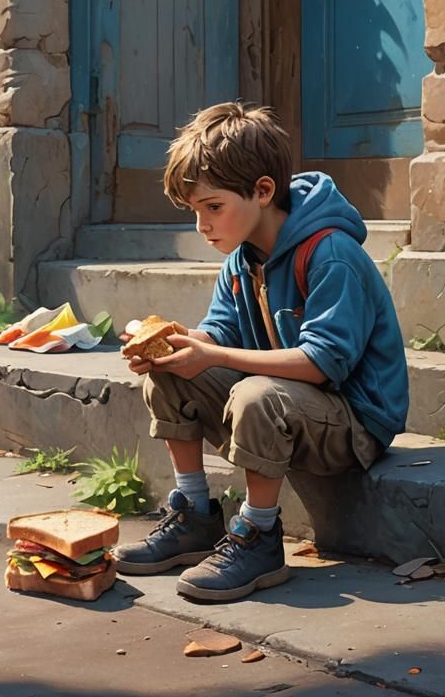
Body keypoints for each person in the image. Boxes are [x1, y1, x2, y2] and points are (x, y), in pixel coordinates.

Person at [113, 102, 409, 602]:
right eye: (194, 212)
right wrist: (181, 346)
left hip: (354, 422)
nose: (203, 225)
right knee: (167, 375)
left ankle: (258, 535)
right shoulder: (241, 258)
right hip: (289, 404)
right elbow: (220, 334)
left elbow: (321, 364)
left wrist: (218, 358)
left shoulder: (331, 254)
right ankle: (194, 513)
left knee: (256, 394)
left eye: (213, 207)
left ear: (263, 191)